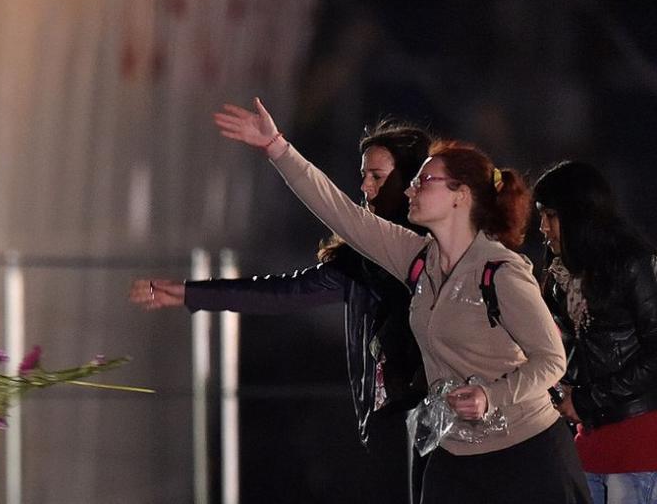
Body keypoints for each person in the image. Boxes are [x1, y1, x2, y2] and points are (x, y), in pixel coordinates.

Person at [208, 97, 589, 504]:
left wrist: (489, 396)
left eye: (424, 182)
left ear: (460, 195)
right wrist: (277, 148)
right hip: (455, 456)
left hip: (526, 456)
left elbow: (551, 361)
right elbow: (341, 214)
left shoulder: (502, 271)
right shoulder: (416, 257)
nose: (409, 188)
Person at [131, 121, 432, 503]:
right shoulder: (360, 262)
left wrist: (278, 148)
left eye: (377, 176)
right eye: (363, 176)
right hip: (389, 428)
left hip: (443, 426)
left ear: (410, 182)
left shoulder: (439, 255)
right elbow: (285, 292)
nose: (365, 188)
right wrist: (192, 293)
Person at [534, 161, 657, 504]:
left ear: (579, 215)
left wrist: (588, 399)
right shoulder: (560, 277)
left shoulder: (630, 263)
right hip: (590, 438)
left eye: (551, 216)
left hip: (636, 442)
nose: (543, 228)